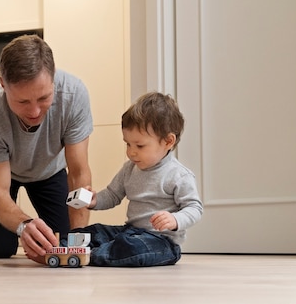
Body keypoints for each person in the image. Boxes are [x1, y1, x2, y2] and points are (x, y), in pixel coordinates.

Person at [0, 34, 93, 261]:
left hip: (49, 169)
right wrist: (25, 226)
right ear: (3, 85)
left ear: (53, 78)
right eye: (23, 102)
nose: (35, 112)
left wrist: (77, 238)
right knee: (0, 249)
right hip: (5, 170)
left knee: (63, 240)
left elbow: (79, 174)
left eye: (44, 98)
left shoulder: (74, 94)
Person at [52, 91, 203, 267]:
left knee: (131, 246)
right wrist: (94, 201)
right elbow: (112, 195)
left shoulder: (179, 175)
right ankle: (60, 247)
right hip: (129, 231)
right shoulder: (129, 169)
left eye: (139, 145)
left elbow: (194, 208)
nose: (131, 152)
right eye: (128, 144)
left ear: (168, 141)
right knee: (95, 231)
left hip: (161, 241)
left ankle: (90, 254)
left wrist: (176, 220)